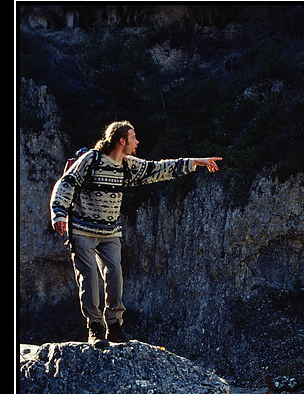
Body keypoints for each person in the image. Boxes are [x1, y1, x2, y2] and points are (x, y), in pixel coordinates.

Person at [50, 120, 221, 347]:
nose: (137, 142)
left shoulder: (126, 165)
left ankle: (114, 327)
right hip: (82, 230)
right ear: (122, 141)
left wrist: (194, 162)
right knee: (89, 278)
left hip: (110, 232)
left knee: (114, 275)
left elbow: (158, 168)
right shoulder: (90, 160)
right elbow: (66, 183)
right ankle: (95, 329)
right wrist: (59, 213)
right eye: (134, 138)